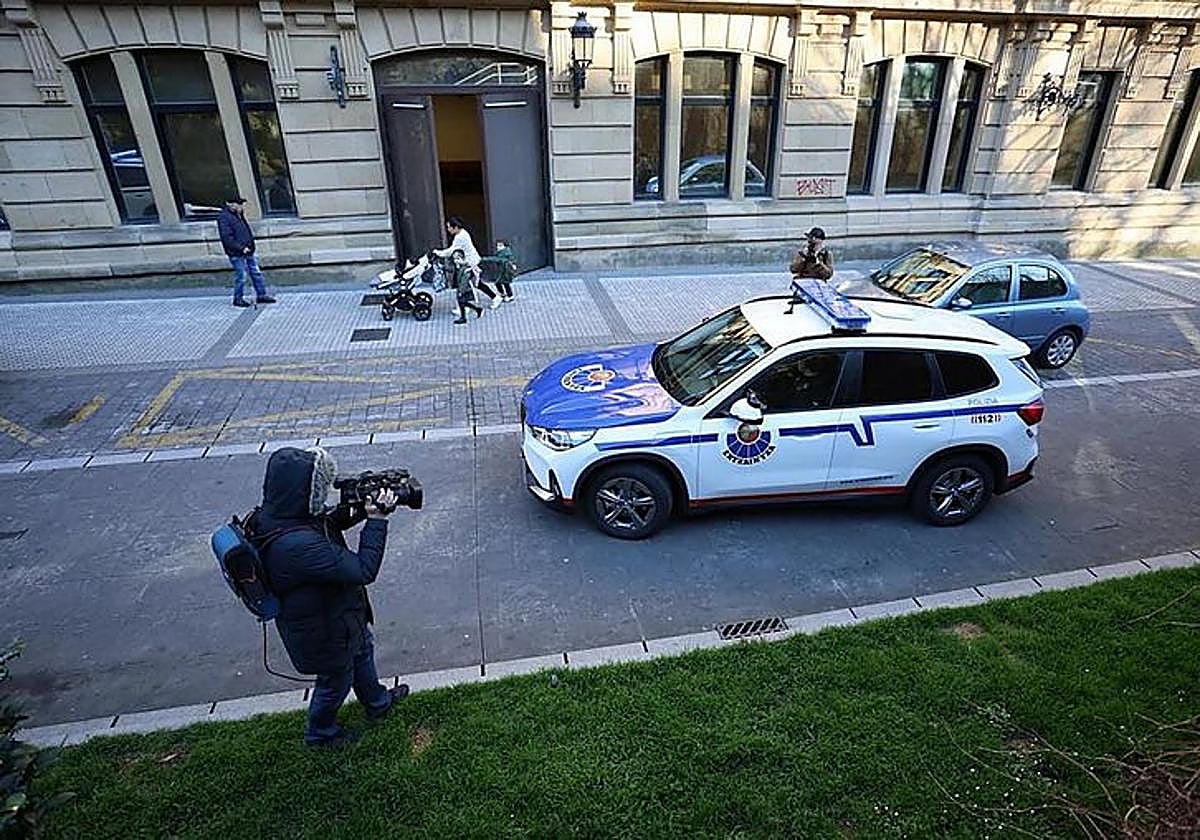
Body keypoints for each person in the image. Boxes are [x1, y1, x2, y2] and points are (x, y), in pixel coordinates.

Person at [257, 446, 407, 748]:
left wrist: (355, 511)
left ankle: (377, 702)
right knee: (335, 681)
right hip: (322, 630)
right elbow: (363, 570)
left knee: (363, 651)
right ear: (305, 492)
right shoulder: (297, 547)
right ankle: (321, 733)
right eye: (319, 488)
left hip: (338, 617)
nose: (324, 494)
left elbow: (322, 524)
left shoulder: (278, 515)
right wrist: (377, 520)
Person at [217, 196, 276, 308]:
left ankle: (261, 295)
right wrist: (240, 248)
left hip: (248, 250)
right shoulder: (224, 218)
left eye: (241, 204)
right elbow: (227, 238)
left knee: (256, 273)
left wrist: (250, 246)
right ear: (229, 203)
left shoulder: (239, 215)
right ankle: (238, 299)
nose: (240, 206)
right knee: (241, 276)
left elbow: (245, 231)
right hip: (237, 253)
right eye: (237, 204)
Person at [432, 217, 502, 310]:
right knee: (475, 284)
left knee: (463, 285)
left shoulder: (460, 238)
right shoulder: (463, 233)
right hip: (471, 262)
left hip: (470, 264)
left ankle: (465, 308)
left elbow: (450, 252)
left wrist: (437, 252)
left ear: (456, 227)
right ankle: (494, 298)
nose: (448, 229)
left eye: (449, 227)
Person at [450, 249, 483, 325]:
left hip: (464, 289)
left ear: (463, 259)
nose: (456, 261)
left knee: (462, 302)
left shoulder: (466, 269)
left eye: (458, 259)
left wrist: (461, 291)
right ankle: (477, 309)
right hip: (461, 288)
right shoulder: (459, 267)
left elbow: (464, 282)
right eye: (454, 259)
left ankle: (463, 317)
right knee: (463, 302)